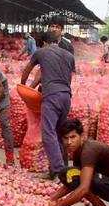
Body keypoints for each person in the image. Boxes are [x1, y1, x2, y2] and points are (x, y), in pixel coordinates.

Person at [20, 31, 75, 179]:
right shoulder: (69, 56)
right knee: (59, 133)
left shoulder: (41, 52)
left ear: (44, 42)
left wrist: (23, 86)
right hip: (66, 97)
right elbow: (68, 78)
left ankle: (59, 172)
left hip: (52, 97)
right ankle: (57, 170)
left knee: (48, 133)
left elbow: (27, 70)